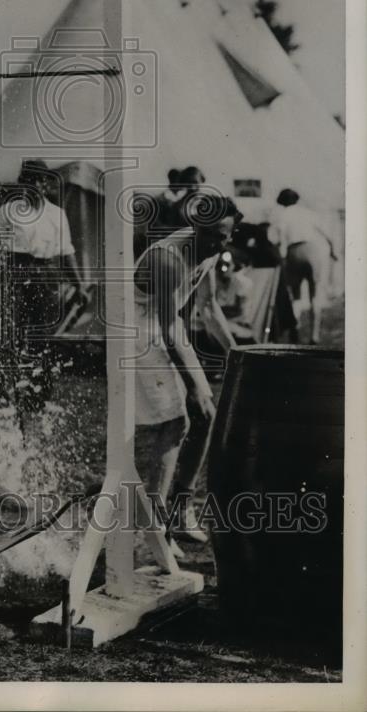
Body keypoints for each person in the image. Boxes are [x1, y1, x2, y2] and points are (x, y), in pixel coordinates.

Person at [133, 194, 241, 552]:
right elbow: (165, 330)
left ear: (230, 235)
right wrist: (195, 384)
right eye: (206, 233)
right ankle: (153, 530)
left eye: (220, 236)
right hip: (138, 331)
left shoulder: (211, 254)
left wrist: (239, 354)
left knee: (206, 415)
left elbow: (209, 309)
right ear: (195, 225)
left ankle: (179, 511)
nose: (212, 242)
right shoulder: (169, 258)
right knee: (177, 422)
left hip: (167, 327)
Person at [0, 159, 86, 354]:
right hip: (17, 274)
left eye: (39, 180)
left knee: (43, 331)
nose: (35, 185)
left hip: (47, 276)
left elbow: (66, 252)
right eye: (29, 180)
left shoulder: (57, 214)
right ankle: (12, 378)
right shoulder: (6, 212)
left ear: (45, 183)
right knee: (14, 329)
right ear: (22, 183)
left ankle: (42, 379)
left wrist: (79, 286)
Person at [267, 188, 338, 344]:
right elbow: (326, 234)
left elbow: (273, 239)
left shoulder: (281, 216)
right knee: (314, 295)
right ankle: (314, 335)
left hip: (294, 252)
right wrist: (333, 251)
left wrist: (280, 257)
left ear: (281, 202)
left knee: (296, 296)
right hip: (312, 251)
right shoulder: (307, 213)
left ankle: (295, 331)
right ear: (297, 200)